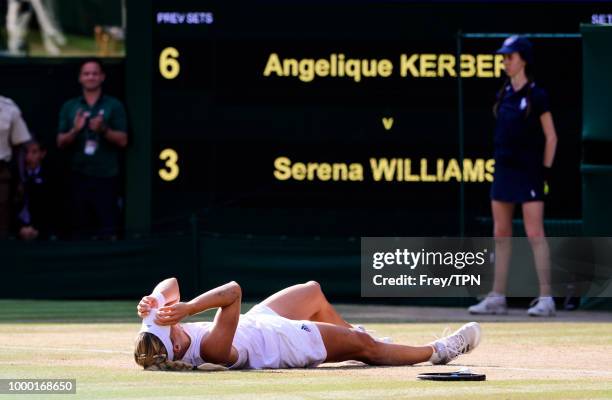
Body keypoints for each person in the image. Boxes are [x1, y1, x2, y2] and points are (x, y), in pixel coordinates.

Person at [134, 278, 481, 371]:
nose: (164, 320)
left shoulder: (159, 338)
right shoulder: (209, 350)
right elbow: (233, 293)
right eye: (165, 325)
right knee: (367, 350)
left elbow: (171, 282)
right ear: (177, 347)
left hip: (261, 322)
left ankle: (355, 335)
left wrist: (155, 298)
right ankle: (438, 351)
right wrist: (190, 308)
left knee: (313, 291)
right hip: (288, 343)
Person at [469, 36, 558, 317]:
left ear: (523, 60)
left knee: (534, 234)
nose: (505, 61)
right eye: (504, 57)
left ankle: (546, 298)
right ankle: (497, 297)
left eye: (510, 57)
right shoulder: (504, 93)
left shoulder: (536, 95)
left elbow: (551, 137)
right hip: (504, 172)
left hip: (529, 173)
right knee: (501, 233)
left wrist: (544, 172)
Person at [57, 58, 128, 239]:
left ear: (102, 77)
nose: (91, 77)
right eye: (86, 74)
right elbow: (60, 142)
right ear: (80, 78)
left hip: (106, 175)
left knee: (108, 228)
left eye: (95, 73)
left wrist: (103, 129)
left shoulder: (114, 105)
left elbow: (123, 140)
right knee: (78, 228)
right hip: (77, 174)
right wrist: (75, 130)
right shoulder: (70, 106)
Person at [0, 95, 32, 239]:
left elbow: (19, 145)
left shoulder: (8, 107)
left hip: (1, 172)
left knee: (2, 223)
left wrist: (21, 179)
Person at [14, 139, 56, 240]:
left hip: (41, 231)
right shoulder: (15, 176)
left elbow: (51, 210)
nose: (28, 157)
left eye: (34, 152)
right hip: (18, 230)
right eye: (26, 152)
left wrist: (38, 231)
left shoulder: (50, 177)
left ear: (42, 154)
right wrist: (20, 229)